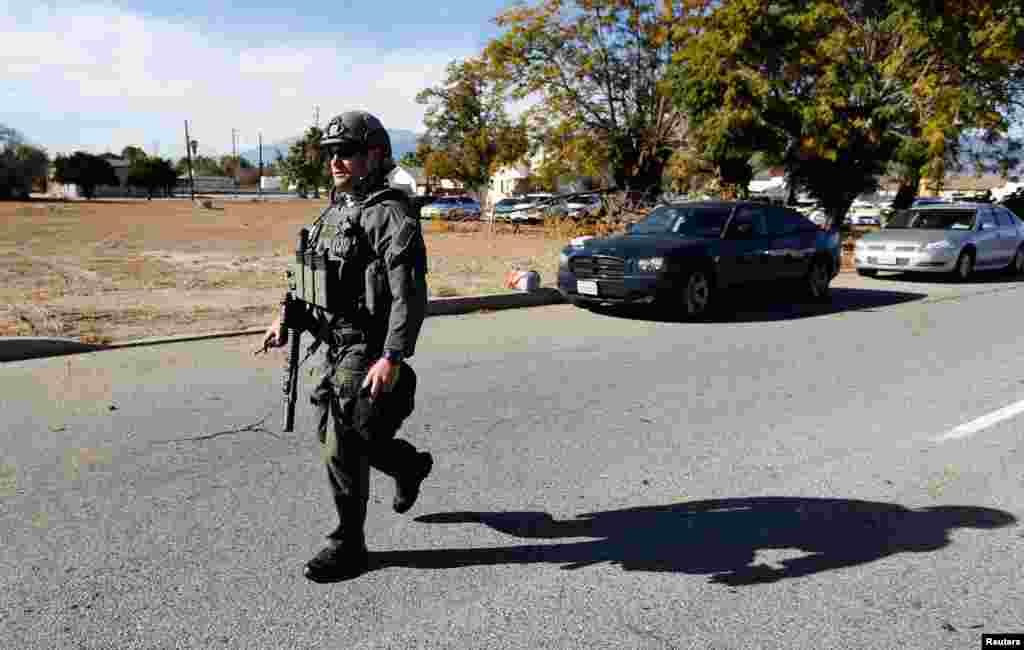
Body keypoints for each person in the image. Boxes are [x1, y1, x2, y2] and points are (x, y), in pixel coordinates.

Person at [260, 110, 432, 582]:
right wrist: (284, 314)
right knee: (345, 438)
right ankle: (407, 465)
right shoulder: (335, 210)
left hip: (368, 346)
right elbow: (306, 271)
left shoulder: (390, 214)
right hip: (333, 343)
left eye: (347, 152)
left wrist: (392, 356)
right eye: (331, 153)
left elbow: (408, 293)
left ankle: (348, 545)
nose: (336, 161)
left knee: (343, 443)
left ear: (375, 155)